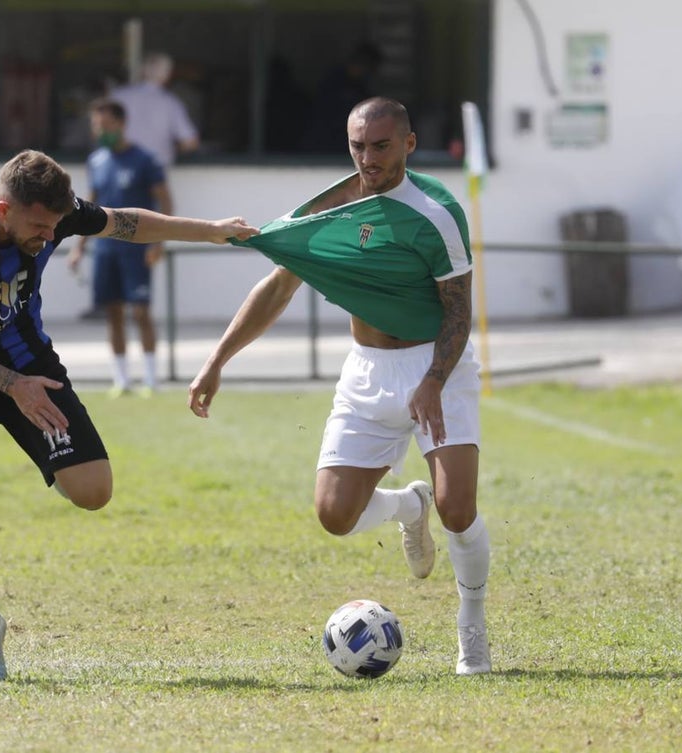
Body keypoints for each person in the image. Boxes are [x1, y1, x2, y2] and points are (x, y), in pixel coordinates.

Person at [0, 149, 256, 683]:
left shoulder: (57, 212)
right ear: (3, 210)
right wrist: (12, 388)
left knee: (94, 491)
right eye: (40, 228)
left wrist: (209, 231)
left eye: (56, 225)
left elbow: (127, 223)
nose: (51, 236)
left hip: (30, 366)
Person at [188, 97, 491, 676]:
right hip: (367, 372)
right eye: (357, 146)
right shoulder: (333, 209)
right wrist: (217, 360)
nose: (367, 158)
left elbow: (458, 311)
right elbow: (278, 286)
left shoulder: (437, 213)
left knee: (457, 509)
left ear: (408, 144)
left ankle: (470, 627)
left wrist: (433, 381)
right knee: (334, 515)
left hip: (437, 366)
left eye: (381, 146)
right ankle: (409, 506)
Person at [67, 100, 172, 397]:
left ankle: (150, 379)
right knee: (112, 312)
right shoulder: (96, 161)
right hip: (105, 250)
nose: (100, 131)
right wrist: (79, 246)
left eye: (105, 125)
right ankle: (121, 380)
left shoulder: (145, 160)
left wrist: (158, 242)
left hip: (136, 249)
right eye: (96, 126)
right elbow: (89, 205)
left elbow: (165, 201)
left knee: (140, 311)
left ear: (121, 123)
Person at [110, 52, 199, 168]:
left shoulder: (117, 96)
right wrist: (168, 148)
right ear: (167, 75)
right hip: (155, 168)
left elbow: (100, 134)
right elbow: (190, 142)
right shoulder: (171, 103)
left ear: (142, 71)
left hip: (119, 165)